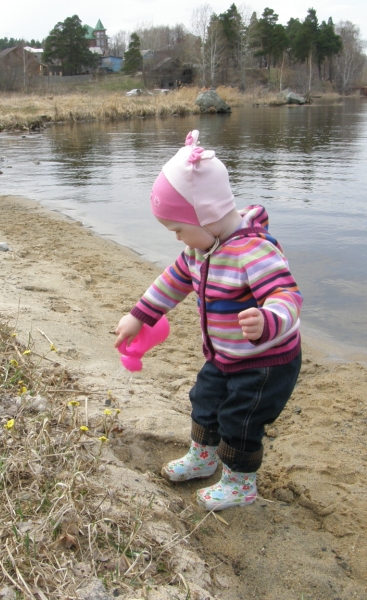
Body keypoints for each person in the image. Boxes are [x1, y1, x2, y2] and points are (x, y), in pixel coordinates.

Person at [114, 130, 302, 511]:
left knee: (240, 419)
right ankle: (203, 456)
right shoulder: (200, 250)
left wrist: (267, 319)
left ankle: (240, 483)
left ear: (206, 215)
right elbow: (172, 281)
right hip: (224, 354)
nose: (178, 238)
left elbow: (287, 295)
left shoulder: (253, 250)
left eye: (179, 229)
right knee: (205, 399)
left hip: (266, 361)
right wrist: (139, 315)